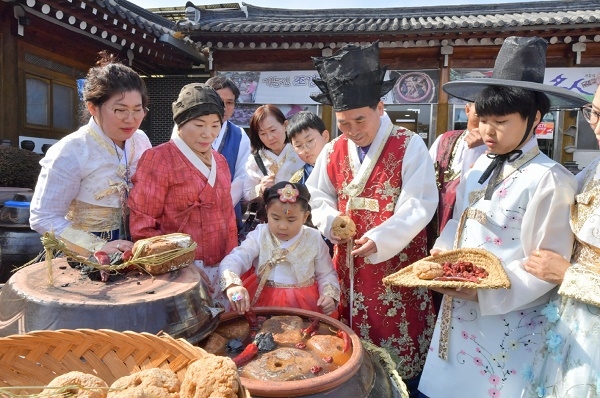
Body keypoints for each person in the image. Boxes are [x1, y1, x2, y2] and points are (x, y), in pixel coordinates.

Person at [417, 36, 588, 398]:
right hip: (458, 308)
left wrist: (482, 295)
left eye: (501, 121)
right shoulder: (480, 164)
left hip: (509, 320)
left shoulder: (550, 180)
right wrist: (443, 252)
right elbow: (458, 219)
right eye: (484, 120)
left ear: (535, 119)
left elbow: (545, 265)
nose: (488, 132)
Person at [305, 41, 439, 395]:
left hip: (395, 266)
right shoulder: (333, 149)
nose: (351, 130)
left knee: (400, 356)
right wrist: (330, 220)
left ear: (380, 107)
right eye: (343, 122)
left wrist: (382, 237)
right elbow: (317, 195)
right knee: (352, 361)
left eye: (359, 119)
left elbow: (420, 203)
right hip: (348, 267)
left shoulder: (409, 144)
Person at [30, 51, 152, 265]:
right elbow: (43, 216)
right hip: (83, 252)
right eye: (120, 110)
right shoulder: (70, 150)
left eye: (137, 110)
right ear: (93, 108)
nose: (131, 119)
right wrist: (96, 247)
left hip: (133, 245)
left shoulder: (140, 140)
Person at [129, 83, 237, 308]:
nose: (208, 134)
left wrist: (232, 264)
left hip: (222, 267)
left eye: (215, 125)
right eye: (199, 125)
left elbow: (229, 219)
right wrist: (181, 266)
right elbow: (143, 228)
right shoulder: (157, 158)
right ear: (181, 122)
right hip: (177, 274)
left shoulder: (221, 162)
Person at [521, 86, 600, 398]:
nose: (597, 126)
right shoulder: (594, 169)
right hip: (569, 319)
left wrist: (569, 275)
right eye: (595, 113)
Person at [219, 181, 340, 316]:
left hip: (306, 304)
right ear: (267, 211)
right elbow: (235, 259)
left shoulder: (314, 238)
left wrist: (329, 296)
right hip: (262, 301)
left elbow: (326, 274)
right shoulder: (260, 235)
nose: (282, 226)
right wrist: (232, 286)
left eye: (291, 220)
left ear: (305, 216)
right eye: (275, 218)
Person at [428, 102, 486, 238]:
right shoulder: (444, 139)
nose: (484, 123)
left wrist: (479, 150)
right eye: (479, 115)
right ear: (467, 110)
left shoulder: (499, 150)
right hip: (436, 216)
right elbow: (425, 178)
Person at [204, 76, 251, 229]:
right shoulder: (186, 129)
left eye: (230, 102)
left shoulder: (240, 135)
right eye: (219, 100)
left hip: (226, 212)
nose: (224, 107)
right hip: (190, 209)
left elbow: (242, 176)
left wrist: (221, 206)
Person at [242, 104, 303, 203]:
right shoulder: (255, 160)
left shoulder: (301, 152)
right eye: (262, 133)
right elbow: (246, 194)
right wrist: (261, 188)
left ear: (285, 125)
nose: (269, 137)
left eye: (273, 130)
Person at [287, 111, 330, 185]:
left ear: (325, 136)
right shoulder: (297, 182)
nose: (306, 150)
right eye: (298, 146)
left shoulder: (344, 164)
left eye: (310, 141)